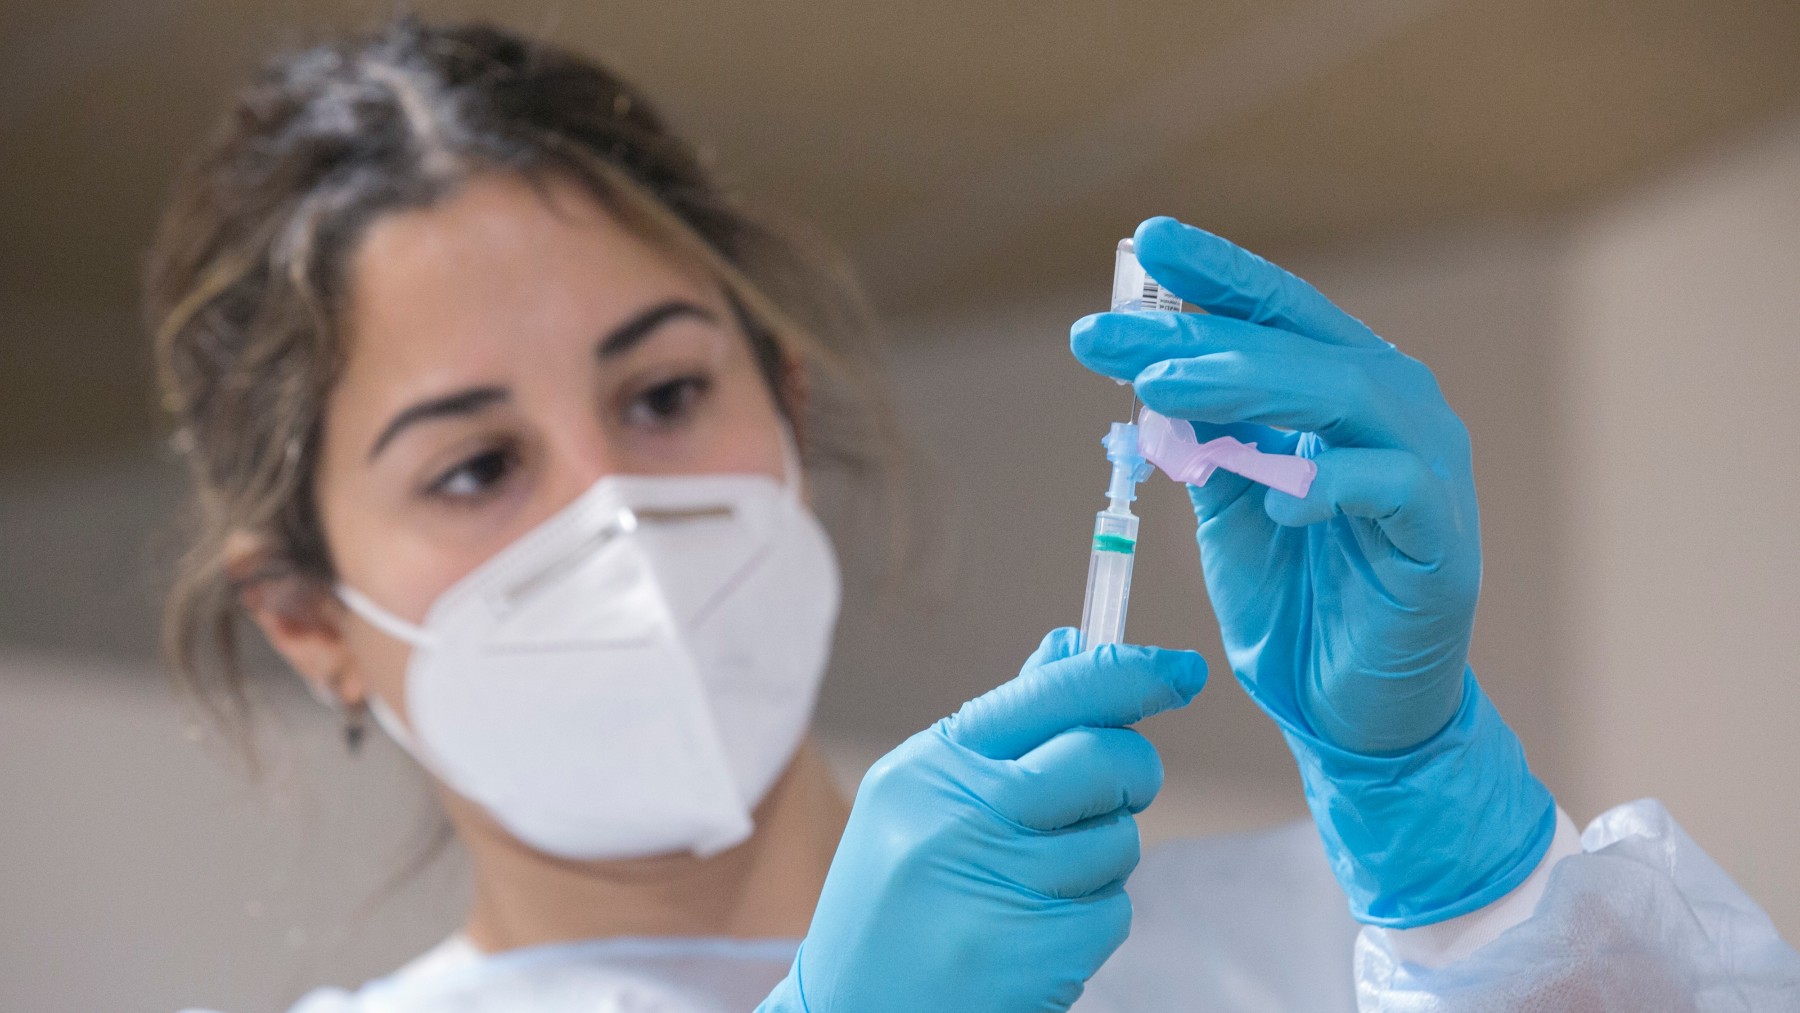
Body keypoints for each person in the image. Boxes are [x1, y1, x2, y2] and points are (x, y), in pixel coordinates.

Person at [149, 18, 1798, 1013]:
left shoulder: (1305, 944)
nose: (620, 517)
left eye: (661, 397)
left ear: (781, 412)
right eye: (474, 467)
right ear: (307, 619)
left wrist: (1452, 846)